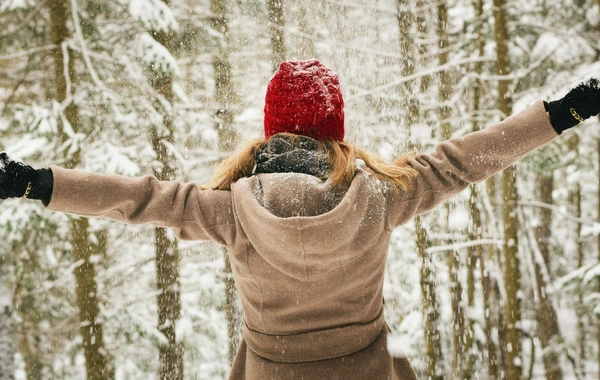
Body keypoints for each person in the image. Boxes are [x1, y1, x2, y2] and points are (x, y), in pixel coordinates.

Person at [1, 60, 599, 379]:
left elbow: (137, 197)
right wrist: (565, 111)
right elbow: (466, 160)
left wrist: (32, 181)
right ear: (336, 130)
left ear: (271, 130)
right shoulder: (384, 196)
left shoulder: (230, 210)